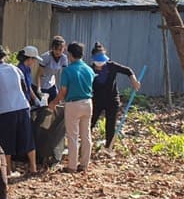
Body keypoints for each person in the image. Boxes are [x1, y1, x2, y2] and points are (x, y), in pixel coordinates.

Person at [0, 46, 38, 174]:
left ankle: (8, 171)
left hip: (6, 110)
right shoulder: (15, 69)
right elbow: (25, 88)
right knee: (28, 138)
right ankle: (33, 168)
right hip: (23, 107)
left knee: (6, 141)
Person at [48, 42, 95, 173]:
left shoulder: (67, 71)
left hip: (73, 104)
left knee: (72, 136)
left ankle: (72, 166)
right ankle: (84, 164)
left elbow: (63, 91)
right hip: (88, 102)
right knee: (86, 135)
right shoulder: (88, 69)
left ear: (70, 54)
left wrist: (54, 102)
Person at [89, 42, 141, 149]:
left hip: (112, 99)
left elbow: (128, 71)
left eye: (102, 61)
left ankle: (109, 146)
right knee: (90, 122)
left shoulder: (112, 66)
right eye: (98, 62)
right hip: (96, 100)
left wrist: (134, 81)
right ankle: (86, 144)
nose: (100, 64)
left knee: (110, 124)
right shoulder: (89, 69)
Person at [37, 36, 68, 103]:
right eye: (56, 49)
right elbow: (39, 74)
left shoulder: (64, 58)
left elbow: (65, 74)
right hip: (42, 84)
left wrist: (64, 89)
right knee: (43, 107)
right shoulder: (46, 56)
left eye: (60, 50)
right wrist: (38, 88)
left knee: (56, 103)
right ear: (52, 47)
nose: (58, 52)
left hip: (52, 83)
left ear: (64, 49)